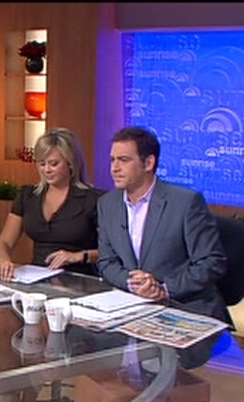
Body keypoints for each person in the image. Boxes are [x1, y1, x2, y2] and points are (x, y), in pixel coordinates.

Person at [96, 126, 228, 323]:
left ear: (148, 163)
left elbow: (211, 262)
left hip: (184, 307)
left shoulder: (185, 203)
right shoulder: (107, 204)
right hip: (132, 307)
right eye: (112, 160)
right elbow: (106, 262)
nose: (114, 168)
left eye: (124, 160)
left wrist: (163, 289)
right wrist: (133, 283)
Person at [0, 128, 106, 280]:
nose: (47, 170)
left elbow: (113, 251)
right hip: (36, 279)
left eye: (53, 164)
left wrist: (78, 256)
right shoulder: (28, 196)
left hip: (80, 281)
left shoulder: (94, 200)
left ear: (70, 164)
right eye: (42, 164)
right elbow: (3, 242)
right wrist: (4, 259)